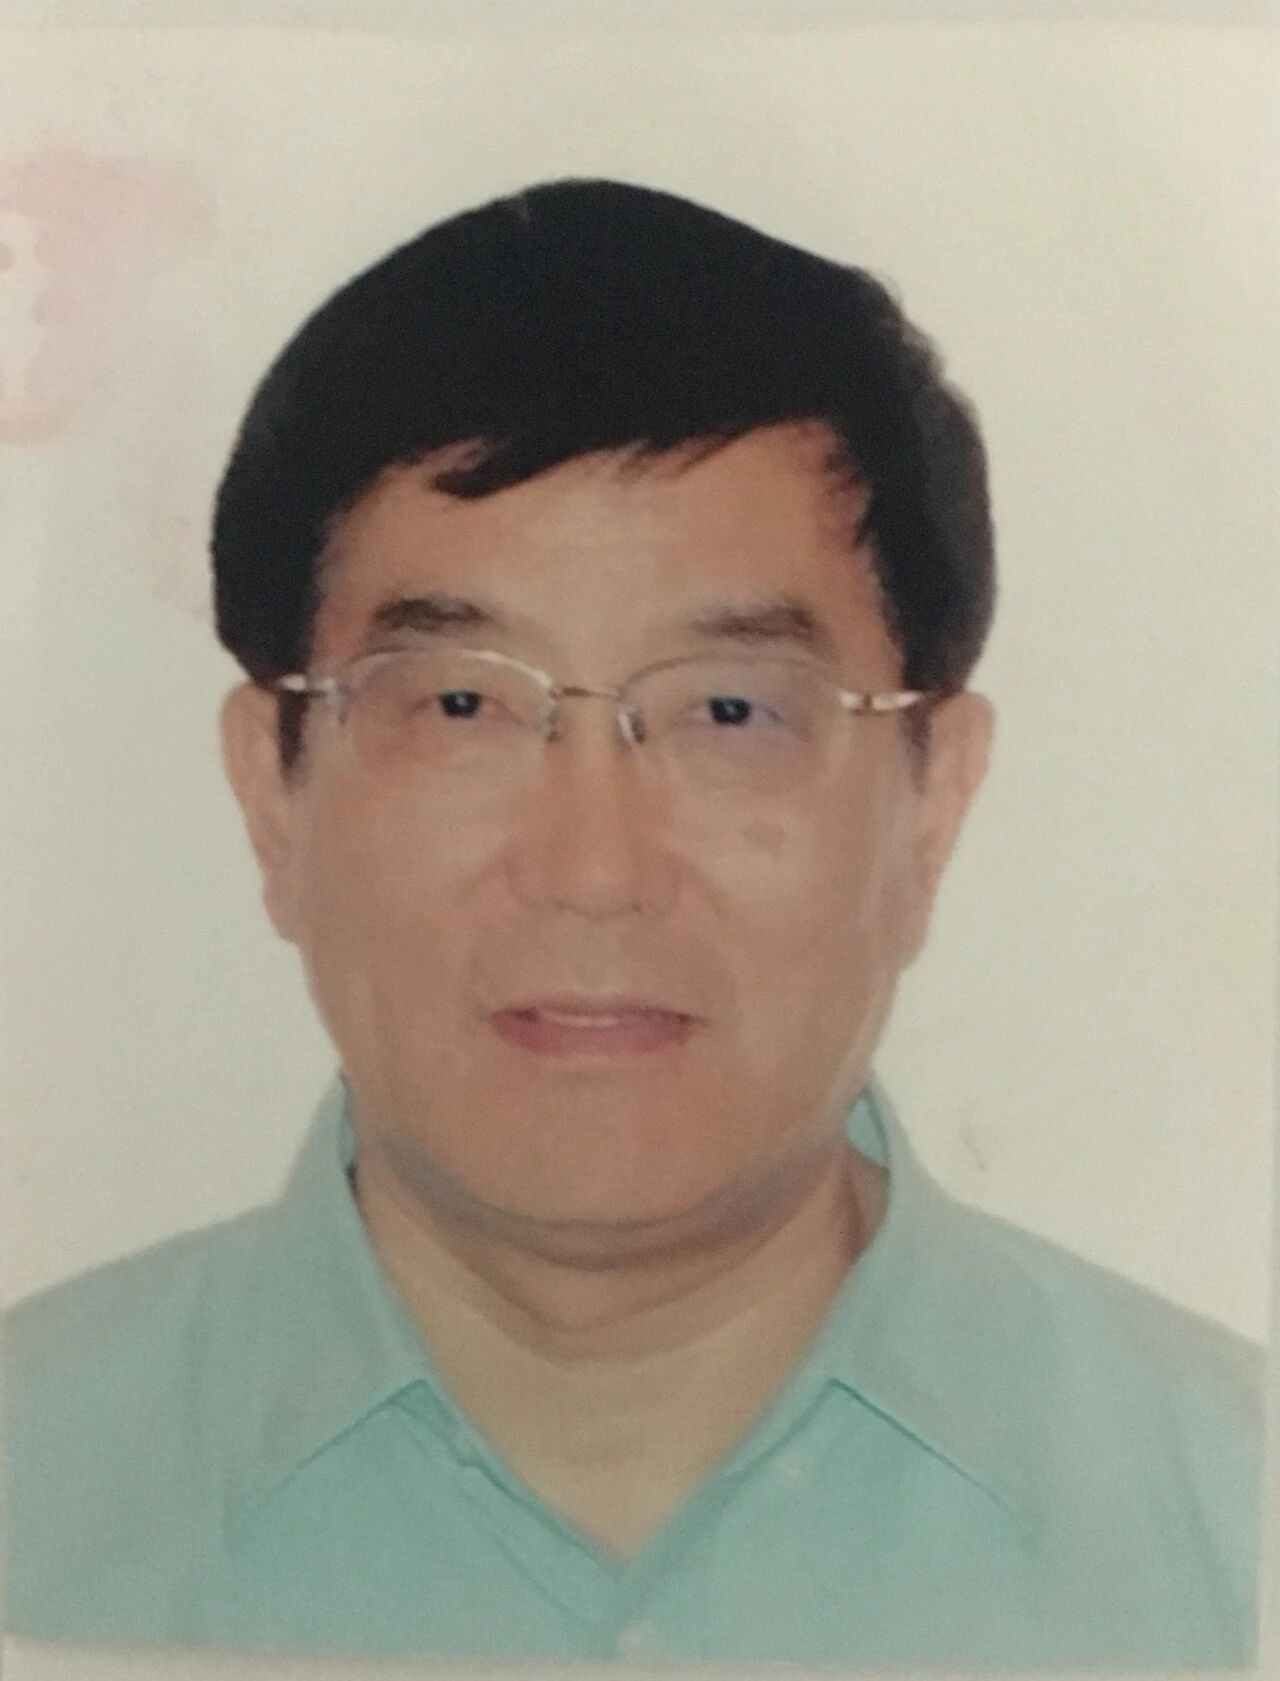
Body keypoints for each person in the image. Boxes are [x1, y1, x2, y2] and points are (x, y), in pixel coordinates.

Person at [4, 178, 1262, 1668]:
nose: (593, 868)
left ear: (931, 806)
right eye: (460, 704)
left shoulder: (1227, 1520)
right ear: (273, 797)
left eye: (729, 711)